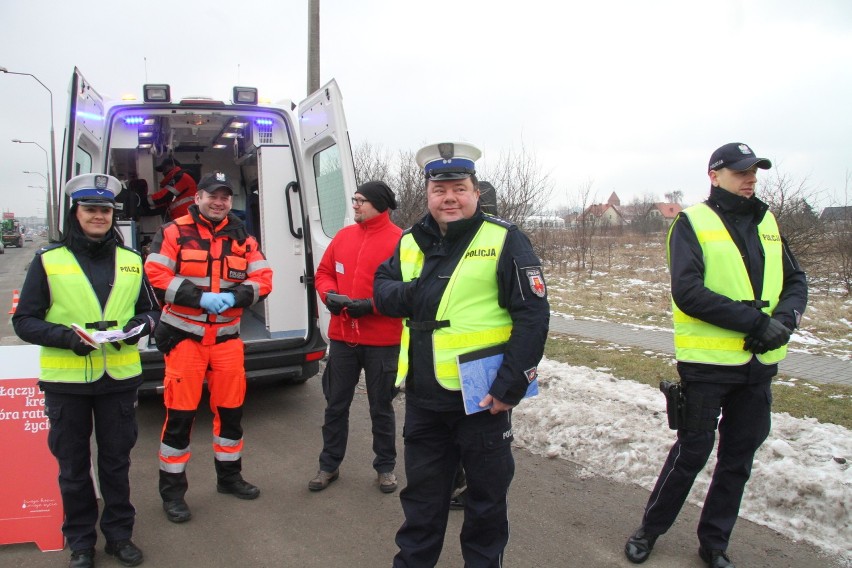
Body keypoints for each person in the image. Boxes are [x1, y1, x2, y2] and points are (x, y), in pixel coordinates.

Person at [624, 143, 808, 568]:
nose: (750, 179)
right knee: (691, 452)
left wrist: (783, 320)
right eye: (741, 171)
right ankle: (650, 530)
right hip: (707, 367)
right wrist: (756, 323)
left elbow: (796, 279)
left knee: (738, 460)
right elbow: (688, 293)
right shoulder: (693, 222)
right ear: (714, 175)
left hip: (758, 367)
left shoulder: (768, 221)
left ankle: (714, 543)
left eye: (755, 172)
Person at [374, 142, 550, 567]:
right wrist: (418, 292)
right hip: (424, 396)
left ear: (475, 192)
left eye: (459, 188)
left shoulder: (506, 239)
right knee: (422, 502)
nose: (449, 197)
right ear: (428, 194)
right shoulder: (410, 241)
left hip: (484, 398)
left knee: (486, 505)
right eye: (440, 190)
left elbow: (533, 315)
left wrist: (512, 385)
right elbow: (382, 291)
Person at [12, 173, 160, 568]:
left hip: (118, 380)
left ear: (114, 215)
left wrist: (141, 328)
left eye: (105, 210)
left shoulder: (132, 261)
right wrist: (67, 338)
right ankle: (80, 542)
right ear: (75, 213)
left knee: (116, 464)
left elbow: (151, 310)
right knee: (74, 469)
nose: (99, 216)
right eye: (90, 209)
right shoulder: (48, 261)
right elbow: (24, 321)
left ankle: (119, 536)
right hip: (66, 384)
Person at [144, 171, 273, 523]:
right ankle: (172, 495)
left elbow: (263, 278)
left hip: (227, 339)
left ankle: (229, 479)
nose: (219, 202)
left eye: (225, 197)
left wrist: (236, 295)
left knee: (231, 413)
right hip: (186, 338)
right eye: (212, 195)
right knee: (179, 419)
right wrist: (202, 298)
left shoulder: (242, 235)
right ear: (197, 197)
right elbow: (156, 273)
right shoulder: (173, 231)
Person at [308, 181, 403, 493]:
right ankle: (329, 465)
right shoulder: (344, 236)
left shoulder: (401, 241)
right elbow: (323, 273)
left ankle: (385, 467)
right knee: (335, 405)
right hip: (343, 338)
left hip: (382, 340)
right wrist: (329, 294)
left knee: (381, 407)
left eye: (361, 201)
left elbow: (408, 292)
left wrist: (372, 306)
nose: (355, 205)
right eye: (354, 199)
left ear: (380, 204)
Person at [148, 157, 198, 221]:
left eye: (165, 168)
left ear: (173, 166)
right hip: (183, 218)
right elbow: (165, 205)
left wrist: (144, 201)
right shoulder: (179, 178)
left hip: (185, 218)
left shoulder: (181, 177)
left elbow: (164, 196)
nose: (163, 172)